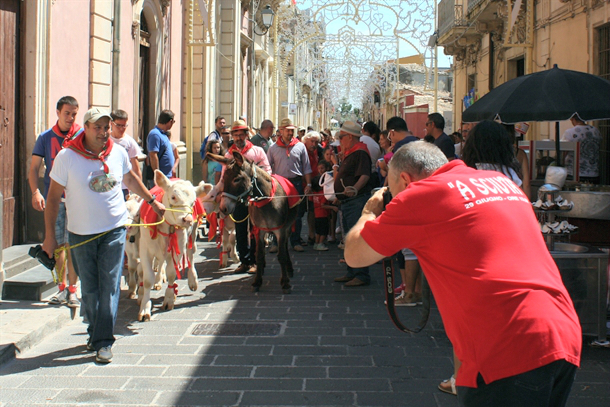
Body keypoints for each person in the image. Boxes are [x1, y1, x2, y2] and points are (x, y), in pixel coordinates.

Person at [344, 141, 581, 406]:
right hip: (561, 332)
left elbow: (354, 255)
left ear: (405, 179)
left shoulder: (420, 195)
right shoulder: (500, 183)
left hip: (505, 346)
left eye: (393, 188)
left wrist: (369, 213)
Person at [42, 108, 165, 363]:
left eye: (106, 127)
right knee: (90, 288)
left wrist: (152, 200)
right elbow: (53, 198)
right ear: (84, 128)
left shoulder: (118, 152)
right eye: (97, 127)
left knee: (109, 285)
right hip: (80, 235)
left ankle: (103, 341)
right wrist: (49, 238)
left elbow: (130, 180)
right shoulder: (67, 157)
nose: (103, 132)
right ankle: (94, 333)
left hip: (114, 230)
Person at [28, 96, 81, 308]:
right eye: (67, 113)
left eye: (74, 114)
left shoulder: (81, 136)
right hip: (54, 199)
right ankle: (61, 288)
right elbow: (34, 168)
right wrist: (35, 192)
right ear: (58, 112)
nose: (70, 118)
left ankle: (73, 291)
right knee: (57, 245)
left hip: (77, 199)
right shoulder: (45, 137)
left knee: (74, 244)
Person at [225, 119, 272, 275]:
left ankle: (255, 261)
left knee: (255, 230)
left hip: (254, 198)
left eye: (241, 134)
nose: (238, 138)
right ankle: (244, 261)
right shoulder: (228, 154)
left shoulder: (257, 151)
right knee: (239, 229)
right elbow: (224, 178)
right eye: (235, 135)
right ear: (232, 136)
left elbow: (267, 172)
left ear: (247, 135)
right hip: (238, 198)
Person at [332, 121, 372, 287]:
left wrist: (354, 189)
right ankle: (352, 271)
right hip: (347, 202)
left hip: (356, 201)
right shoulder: (351, 152)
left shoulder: (360, 153)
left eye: (341, 137)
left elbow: (364, 175)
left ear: (350, 137)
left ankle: (361, 275)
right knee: (349, 238)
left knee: (356, 238)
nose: (340, 141)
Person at [267, 118, 313, 252]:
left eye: (292, 130)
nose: (290, 133)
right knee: (277, 213)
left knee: (296, 214)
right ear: (281, 131)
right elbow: (267, 166)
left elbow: (306, 167)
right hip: (279, 183)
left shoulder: (300, 146)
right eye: (287, 130)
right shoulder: (273, 148)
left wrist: (308, 184)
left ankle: (295, 241)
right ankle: (276, 242)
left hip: (296, 183)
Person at [110, 109, 142, 199]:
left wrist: (139, 191)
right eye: (118, 125)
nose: (121, 129)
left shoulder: (130, 143)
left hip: (124, 187)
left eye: (124, 126)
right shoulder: (105, 140)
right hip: (108, 186)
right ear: (111, 123)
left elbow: (136, 168)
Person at [561, 114, 601, 183]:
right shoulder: (596, 131)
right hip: (594, 172)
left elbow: (563, 151)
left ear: (573, 119)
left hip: (574, 172)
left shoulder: (570, 132)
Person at [311, 160, 337, 251]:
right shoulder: (323, 194)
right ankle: (320, 243)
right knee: (324, 231)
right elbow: (323, 205)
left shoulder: (314, 193)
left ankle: (316, 243)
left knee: (318, 231)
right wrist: (333, 207)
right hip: (323, 215)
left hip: (316, 215)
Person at [146, 110, 175, 186]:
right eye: (173, 122)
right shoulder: (155, 134)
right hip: (160, 179)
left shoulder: (164, 135)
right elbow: (153, 155)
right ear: (170, 121)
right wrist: (158, 176)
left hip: (166, 176)